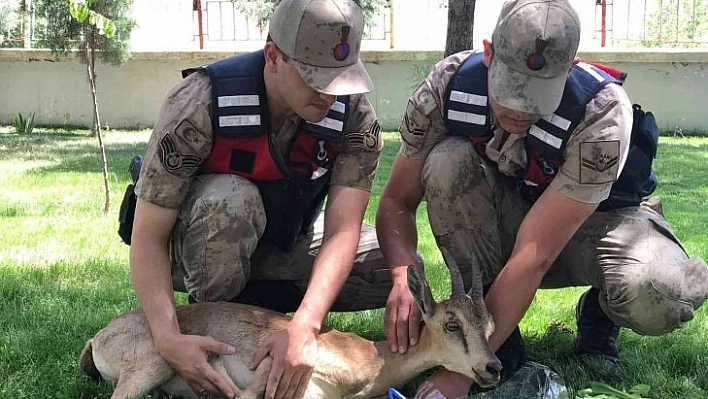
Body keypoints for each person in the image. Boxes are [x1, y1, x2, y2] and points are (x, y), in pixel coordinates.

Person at [375, 0, 708, 398]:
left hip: (598, 227)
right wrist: (400, 275)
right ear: (488, 52)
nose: (519, 107)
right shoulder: (448, 84)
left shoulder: (602, 112)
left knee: (658, 295)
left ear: (569, 69)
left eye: (537, 94)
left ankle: (600, 313)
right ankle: (498, 337)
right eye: (510, 87)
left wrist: (462, 374)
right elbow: (396, 200)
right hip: (513, 215)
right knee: (447, 162)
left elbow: (535, 253)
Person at [128, 0, 392, 398]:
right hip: (203, 246)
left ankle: (273, 313)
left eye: (341, 79)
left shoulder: (355, 118)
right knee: (231, 198)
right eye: (315, 78)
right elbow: (147, 236)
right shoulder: (199, 103)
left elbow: (342, 229)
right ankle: (217, 320)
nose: (330, 95)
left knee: (396, 268)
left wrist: (306, 324)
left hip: (289, 239)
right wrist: (165, 337)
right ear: (273, 56)